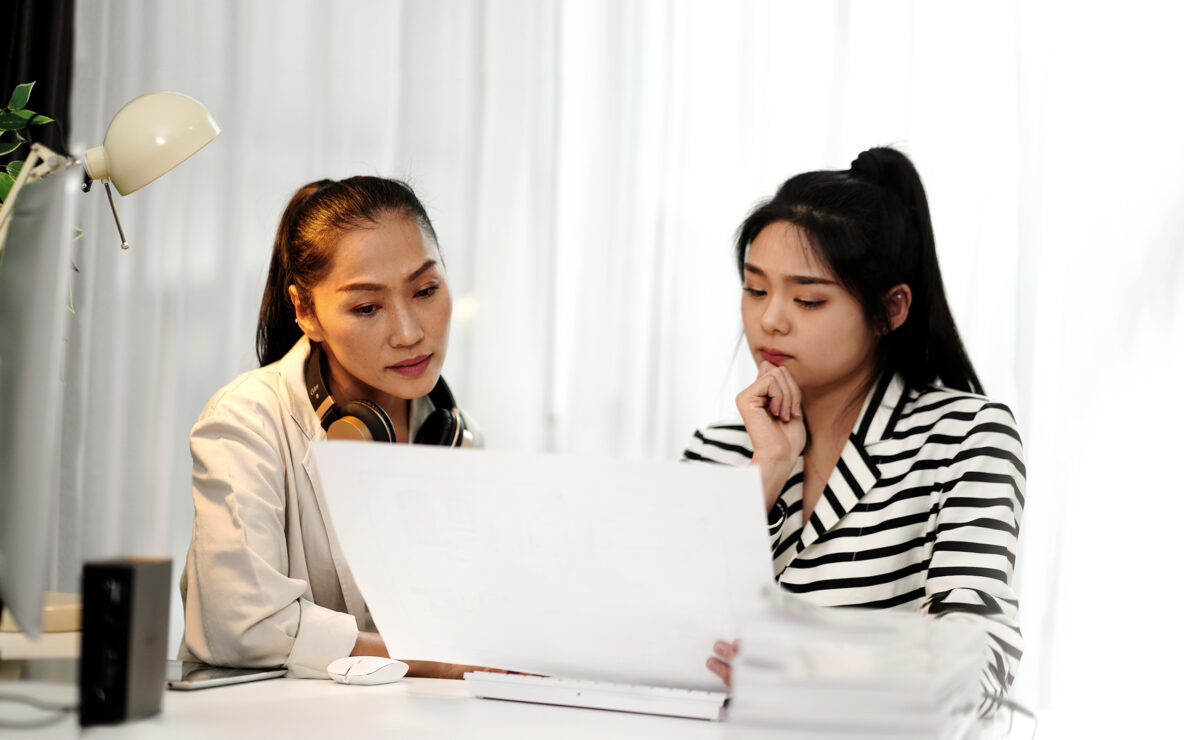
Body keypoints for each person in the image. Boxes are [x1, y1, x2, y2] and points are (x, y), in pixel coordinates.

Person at [684, 148, 1024, 710]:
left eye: (809, 299)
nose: (771, 319)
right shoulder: (719, 449)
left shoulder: (965, 438)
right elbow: (664, 640)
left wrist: (806, 670)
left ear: (891, 309)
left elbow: (980, 670)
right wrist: (765, 471)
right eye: (756, 289)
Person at [179, 176, 482, 678]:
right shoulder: (246, 420)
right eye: (367, 307)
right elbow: (241, 625)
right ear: (306, 311)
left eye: (425, 290)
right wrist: (439, 661)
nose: (409, 333)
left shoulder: (455, 436)